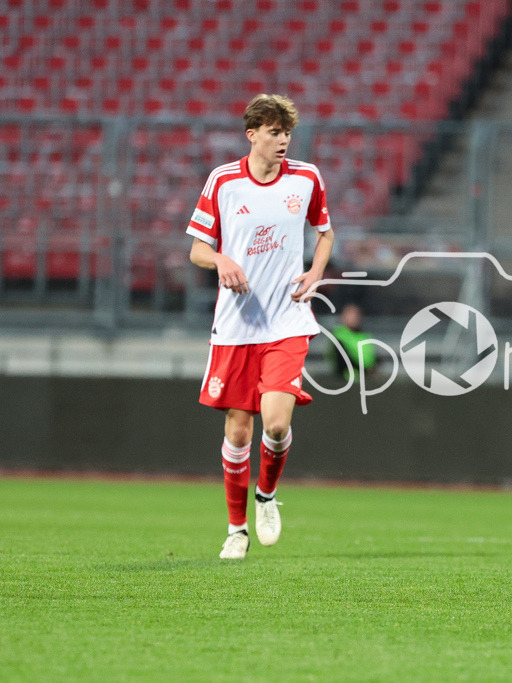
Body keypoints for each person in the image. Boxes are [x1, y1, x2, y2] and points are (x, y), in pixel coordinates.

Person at [187, 93, 335, 559]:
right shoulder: (224, 181)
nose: (283, 140)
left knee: (274, 425)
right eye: (274, 132)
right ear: (252, 135)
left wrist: (315, 272)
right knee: (238, 433)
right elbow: (196, 249)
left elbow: (325, 233)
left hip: (287, 321)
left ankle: (266, 497)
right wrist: (221, 259)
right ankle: (236, 530)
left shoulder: (307, 178)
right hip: (236, 326)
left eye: (287, 132)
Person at [328, 302, 376, 380]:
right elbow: (342, 360)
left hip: (364, 378)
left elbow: (370, 357)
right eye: (350, 314)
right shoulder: (338, 335)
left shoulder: (364, 335)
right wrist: (365, 371)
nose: (354, 317)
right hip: (346, 379)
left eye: (356, 314)